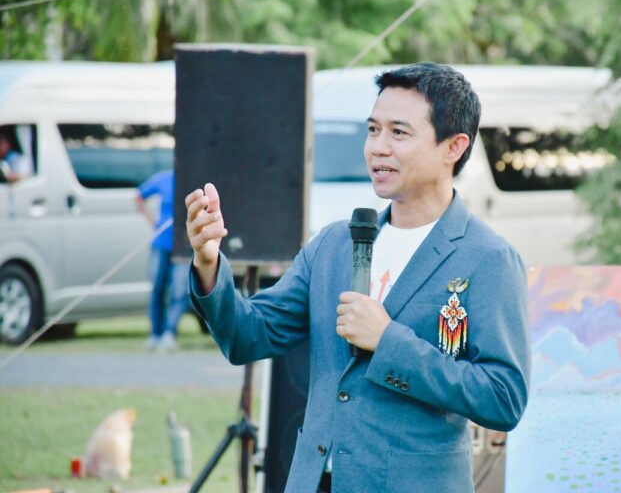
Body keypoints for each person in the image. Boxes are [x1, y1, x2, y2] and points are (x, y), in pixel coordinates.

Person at [186, 63, 531, 492]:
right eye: (372, 130)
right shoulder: (334, 245)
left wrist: (389, 343)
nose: (378, 148)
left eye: (398, 133)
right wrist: (208, 263)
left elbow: (503, 398)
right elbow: (247, 336)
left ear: (453, 147)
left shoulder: (488, 258)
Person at [136, 169, 188, 351]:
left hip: (184, 246)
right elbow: (139, 196)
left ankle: (170, 333)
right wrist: (153, 221)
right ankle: (155, 334)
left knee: (179, 290)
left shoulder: (194, 179)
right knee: (157, 288)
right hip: (161, 244)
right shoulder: (164, 178)